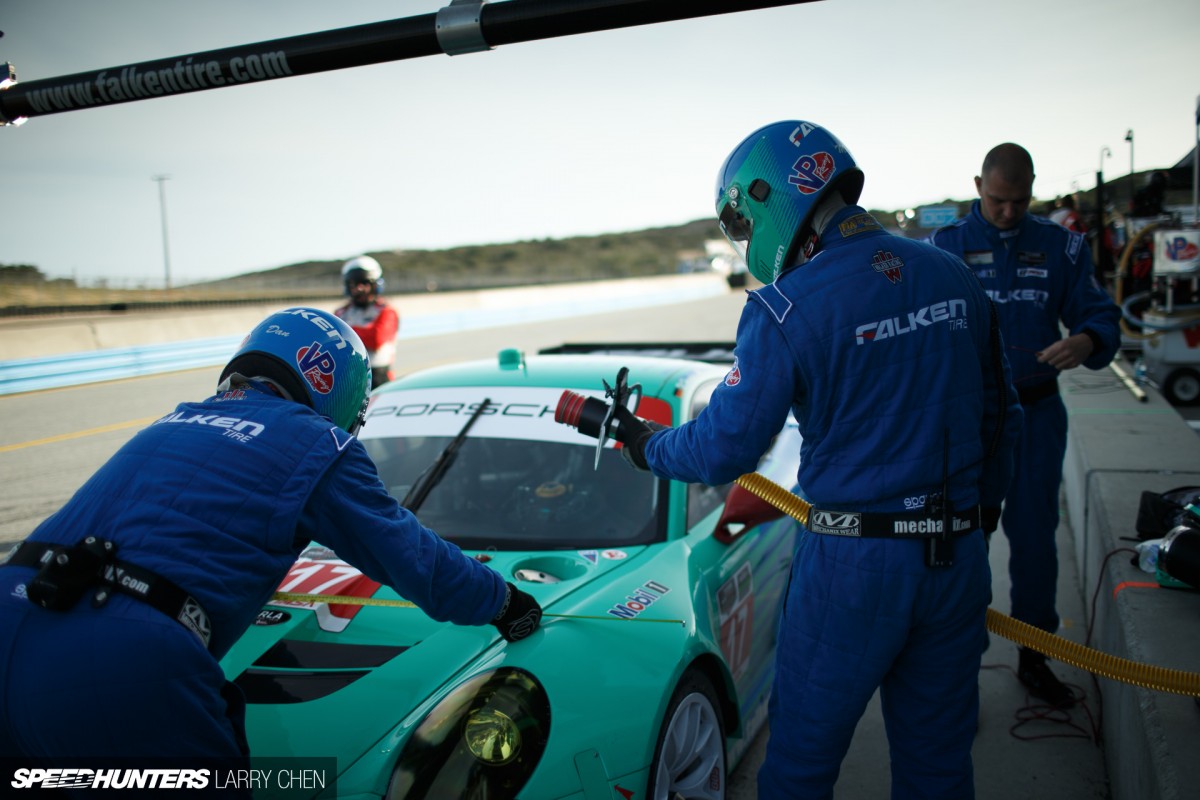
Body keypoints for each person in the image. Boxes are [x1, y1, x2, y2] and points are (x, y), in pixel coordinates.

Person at [601, 121, 1022, 799]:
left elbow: (722, 449)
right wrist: (981, 520)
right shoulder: (951, 272)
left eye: (744, 221)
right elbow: (1004, 418)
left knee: (800, 766)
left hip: (853, 567)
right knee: (939, 766)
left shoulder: (784, 306)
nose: (746, 238)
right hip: (956, 558)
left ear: (769, 198)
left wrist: (647, 445)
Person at [0, 307, 541, 762]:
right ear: (335, 389)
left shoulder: (172, 420)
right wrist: (502, 601)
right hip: (123, 654)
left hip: (14, 611)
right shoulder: (314, 442)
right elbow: (409, 554)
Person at [929, 143, 1121, 708]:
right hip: (969, 424)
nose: (1009, 212)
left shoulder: (1062, 246)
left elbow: (1100, 315)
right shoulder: (943, 248)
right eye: (997, 201)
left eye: (1019, 200)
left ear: (1033, 189)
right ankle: (955, 673)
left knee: (1036, 542)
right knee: (963, 545)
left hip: (1037, 415)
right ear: (978, 187)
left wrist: (1086, 340)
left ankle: (1035, 659)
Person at [335, 255, 400, 388]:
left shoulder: (387, 311)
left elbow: (376, 339)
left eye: (364, 283)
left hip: (378, 376)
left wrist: (344, 333)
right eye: (354, 284)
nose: (359, 289)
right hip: (348, 376)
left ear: (375, 284)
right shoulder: (341, 312)